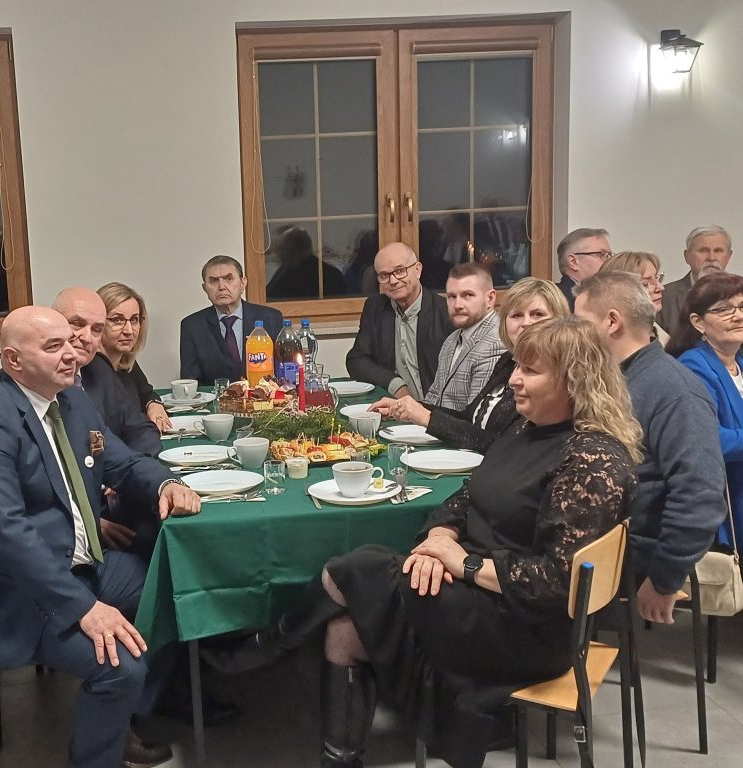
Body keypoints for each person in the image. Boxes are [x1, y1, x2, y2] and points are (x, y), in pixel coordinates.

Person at [208, 317, 640, 768]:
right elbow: (467, 495)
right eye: (516, 366)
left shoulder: (591, 460)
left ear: (575, 380)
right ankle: (338, 756)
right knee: (345, 628)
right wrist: (439, 539)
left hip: (523, 628)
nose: (514, 378)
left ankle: (262, 649)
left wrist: (464, 565)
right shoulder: (525, 429)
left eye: (530, 371)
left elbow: (556, 583)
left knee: (359, 567)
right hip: (479, 591)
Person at [0, 306, 200, 768]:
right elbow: (8, 537)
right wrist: (84, 608)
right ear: (14, 361)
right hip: (22, 591)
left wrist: (165, 484)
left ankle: (124, 720)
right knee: (121, 668)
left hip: (83, 564)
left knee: (179, 589)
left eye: (70, 342)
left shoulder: (72, 401)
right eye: (53, 346)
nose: (72, 354)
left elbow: (122, 462)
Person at [575, 271, 726, 623]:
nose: (574, 333)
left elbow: (700, 496)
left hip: (631, 557)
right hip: (602, 539)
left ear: (612, 322)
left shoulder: (674, 391)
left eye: (581, 322)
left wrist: (663, 580)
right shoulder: (619, 377)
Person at [369, 277, 568, 453]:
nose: (526, 323)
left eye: (537, 314)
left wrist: (426, 418)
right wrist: (408, 407)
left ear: (559, 321)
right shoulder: (508, 361)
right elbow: (470, 417)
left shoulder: (555, 376)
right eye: (517, 315)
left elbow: (504, 448)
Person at [668, 272, 743, 554]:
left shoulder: (739, 360)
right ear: (698, 322)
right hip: (725, 503)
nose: (737, 316)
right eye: (724, 309)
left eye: (742, 306)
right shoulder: (694, 365)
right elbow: (711, 441)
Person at [53, 287, 161, 459]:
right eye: (78, 324)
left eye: (96, 329)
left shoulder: (98, 369)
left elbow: (141, 428)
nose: (86, 337)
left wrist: (132, 467)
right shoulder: (42, 380)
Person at [345, 242, 451, 398]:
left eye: (400, 271)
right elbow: (356, 360)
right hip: (395, 407)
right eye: (384, 275)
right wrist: (394, 384)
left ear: (417, 270)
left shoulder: (446, 312)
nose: (393, 281)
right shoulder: (375, 308)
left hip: (436, 408)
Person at [180, 255, 283, 385]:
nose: (221, 286)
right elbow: (190, 382)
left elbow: (283, 371)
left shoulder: (271, 318)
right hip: (215, 396)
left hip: (263, 395)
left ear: (242, 283)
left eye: (228, 279)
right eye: (213, 281)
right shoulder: (192, 326)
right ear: (205, 288)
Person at [418, 262, 503, 410]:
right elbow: (434, 396)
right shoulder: (451, 340)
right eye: (451, 296)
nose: (457, 305)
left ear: (490, 299)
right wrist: (401, 409)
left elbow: (476, 417)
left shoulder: (496, 344)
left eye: (467, 295)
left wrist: (420, 415)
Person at [97, 281, 172, 432]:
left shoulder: (125, 361)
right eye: (117, 320)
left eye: (134, 320)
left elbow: (147, 393)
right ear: (97, 323)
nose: (129, 331)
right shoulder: (90, 370)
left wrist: (154, 404)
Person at [658, 225, 734, 335]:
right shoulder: (664, 297)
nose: (711, 258)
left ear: (729, 256)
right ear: (687, 256)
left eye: (718, 251)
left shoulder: (740, 291)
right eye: (703, 251)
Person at [600, 251, 669, 344]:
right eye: (646, 283)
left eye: (657, 278)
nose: (660, 288)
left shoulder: (656, 332)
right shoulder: (609, 342)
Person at [265, 226, 346, 300]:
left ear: (294, 250)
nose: (276, 254)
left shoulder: (294, 274)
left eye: (280, 249)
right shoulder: (286, 269)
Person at [554, 227, 612, 310]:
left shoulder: (607, 297)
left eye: (609, 255)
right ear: (573, 262)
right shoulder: (557, 300)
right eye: (601, 254)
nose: (609, 261)